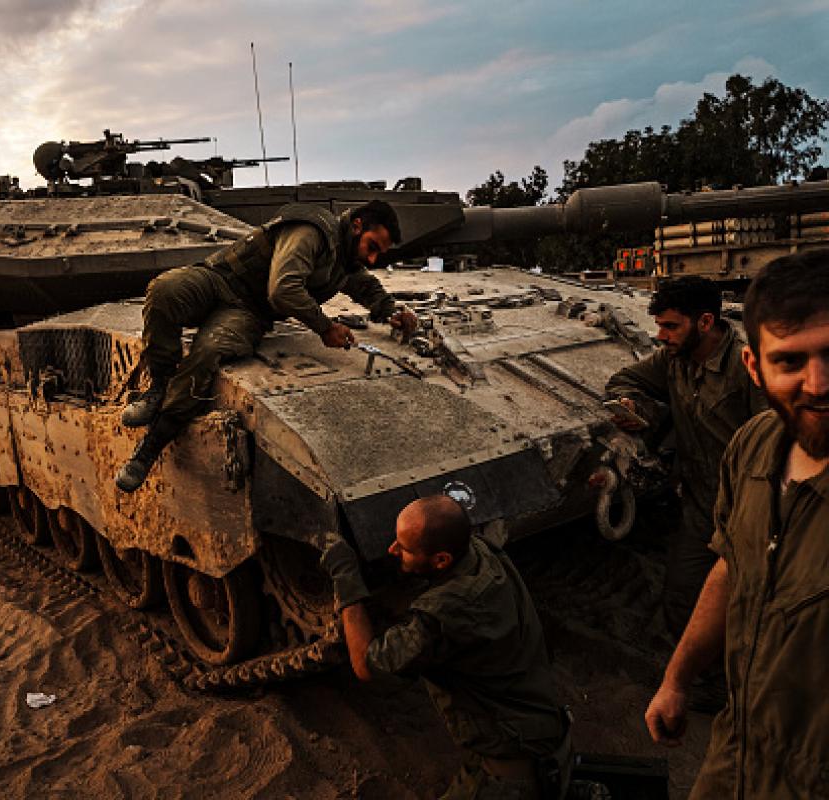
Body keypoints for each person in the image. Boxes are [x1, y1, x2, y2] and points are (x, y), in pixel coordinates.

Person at [643, 249, 829, 798]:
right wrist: (676, 680)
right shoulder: (752, 448)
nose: (818, 384)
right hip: (738, 743)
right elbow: (733, 564)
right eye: (791, 361)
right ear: (756, 365)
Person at [115, 199, 419, 492]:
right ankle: (159, 386)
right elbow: (283, 290)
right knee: (165, 290)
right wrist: (325, 327)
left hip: (247, 310)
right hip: (218, 278)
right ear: (356, 226)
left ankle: (149, 448)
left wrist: (391, 311)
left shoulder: (344, 258)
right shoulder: (312, 233)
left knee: (209, 352)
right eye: (372, 247)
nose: (373, 259)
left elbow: (363, 284)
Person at [321, 496, 572, 799]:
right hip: (540, 737)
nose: (392, 550)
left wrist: (346, 579)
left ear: (441, 560)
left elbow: (366, 665)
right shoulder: (479, 550)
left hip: (514, 774)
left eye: (405, 548)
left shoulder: (446, 614)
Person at [604, 276, 765, 707]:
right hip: (699, 504)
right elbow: (623, 379)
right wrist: (633, 406)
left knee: (757, 606)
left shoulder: (748, 365)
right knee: (683, 597)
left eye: (671, 326)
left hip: (752, 505)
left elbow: (779, 441)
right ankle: (709, 683)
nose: (662, 336)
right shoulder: (674, 359)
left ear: (706, 321)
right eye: (659, 326)